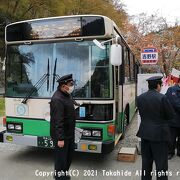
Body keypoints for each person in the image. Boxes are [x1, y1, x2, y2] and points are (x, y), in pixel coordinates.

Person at [137, 76, 175, 180]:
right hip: (159, 136)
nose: (161, 87)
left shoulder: (140, 97)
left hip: (145, 134)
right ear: (157, 85)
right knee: (161, 165)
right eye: (161, 85)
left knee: (146, 163)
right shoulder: (162, 98)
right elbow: (170, 115)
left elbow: (142, 113)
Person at [50, 74, 76, 180]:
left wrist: (77, 104)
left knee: (68, 157)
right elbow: (58, 121)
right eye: (70, 84)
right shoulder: (57, 99)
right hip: (62, 136)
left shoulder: (66, 95)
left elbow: (70, 102)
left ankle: (64, 174)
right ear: (63, 85)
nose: (72, 86)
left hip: (69, 133)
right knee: (61, 159)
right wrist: (60, 138)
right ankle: (59, 177)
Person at [165, 77, 180, 159]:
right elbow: (175, 103)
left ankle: (179, 152)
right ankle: (170, 152)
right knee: (171, 138)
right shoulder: (172, 90)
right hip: (173, 120)